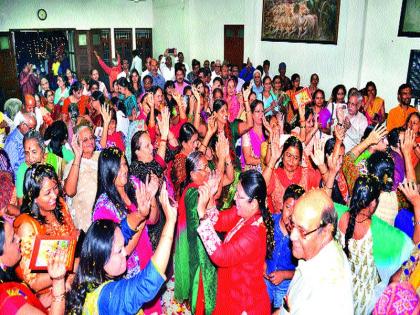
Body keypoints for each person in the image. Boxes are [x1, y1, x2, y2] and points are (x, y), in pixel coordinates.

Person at [66, 182, 177, 314]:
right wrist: (170, 221)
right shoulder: (108, 297)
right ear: (102, 258)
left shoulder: (92, 269)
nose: (125, 252)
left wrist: (141, 214)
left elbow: (123, 229)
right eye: (119, 251)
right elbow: (147, 283)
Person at [92, 147, 162, 314]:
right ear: (108, 171)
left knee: (153, 301)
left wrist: (151, 197)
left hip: (146, 255)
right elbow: (123, 250)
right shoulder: (103, 208)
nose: (124, 170)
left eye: (124, 164)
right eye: (118, 167)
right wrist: (141, 216)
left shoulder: (134, 183)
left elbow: (154, 219)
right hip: (127, 270)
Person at [196, 169, 274, 314]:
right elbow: (218, 221)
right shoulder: (243, 213)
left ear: (254, 203)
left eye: (240, 196)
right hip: (230, 290)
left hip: (243, 302)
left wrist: (202, 213)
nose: (234, 198)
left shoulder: (254, 233)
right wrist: (211, 197)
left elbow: (221, 256)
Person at [336, 175, 414, 314]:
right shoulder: (378, 231)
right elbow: (413, 249)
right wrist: (417, 203)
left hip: (341, 287)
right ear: (373, 203)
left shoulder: (339, 215)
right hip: (364, 300)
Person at [280, 189, 353, 314]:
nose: (292, 236)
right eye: (292, 224)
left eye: (302, 231)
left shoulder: (326, 294)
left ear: (325, 231)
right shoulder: (314, 253)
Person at [13, 163, 78, 305]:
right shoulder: (27, 226)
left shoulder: (60, 205)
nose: (55, 195)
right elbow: (33, 282)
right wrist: (70, 266)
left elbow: (73, 240)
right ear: (34, 197)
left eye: (55, 188)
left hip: (73, 282)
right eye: (48, 192)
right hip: (49, 299)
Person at [0, 219, 67, 314]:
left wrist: (37, 302)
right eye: (12, 240)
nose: (19, 238)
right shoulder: (7, 300)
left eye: (15, 233)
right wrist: (58, 281)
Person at [265, 184, 304, 314]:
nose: (291, 214)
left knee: (281, 311)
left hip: (286, 284)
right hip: (265, 278)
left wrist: (284, 275)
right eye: (288, 207)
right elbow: (257, 248)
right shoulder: (269, 222)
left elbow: (303, 271)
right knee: (261, 307)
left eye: (296, 210)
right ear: (282, 205)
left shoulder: (303, 237)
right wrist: (261, 263)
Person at [263, 135, 321, 213]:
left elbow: (326, 187)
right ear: (282, 155)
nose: (291, 161)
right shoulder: (274, 175)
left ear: (300, 160)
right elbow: (260, 188)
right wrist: (273, 159)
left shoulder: (307, 174)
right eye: (288, 155)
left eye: (296, 158)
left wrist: (322, 166)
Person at [63, 124, 99, 232]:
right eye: (85, 140)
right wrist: (78, 156)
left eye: (91, 138)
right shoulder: (71, 165)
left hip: (103, 217)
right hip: (85, 225)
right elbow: (69, 192)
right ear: (77, 144)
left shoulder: (100, 156)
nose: (90, 142)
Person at [15, 131, 66, 205]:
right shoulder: (23, 169)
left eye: (34, 152)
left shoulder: (55, 161)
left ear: (43, 150)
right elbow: (21, 203)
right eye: (26, 153)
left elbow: (68, 189)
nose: (30, 158)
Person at [241, 99, 266, 171]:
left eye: (262, 111)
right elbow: (248, 159)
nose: (261, 114)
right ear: (252, 114)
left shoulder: (267, 130)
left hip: (266, 169)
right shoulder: (247, 132)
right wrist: (265, 161)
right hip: (251, 172)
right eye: (257, 111)